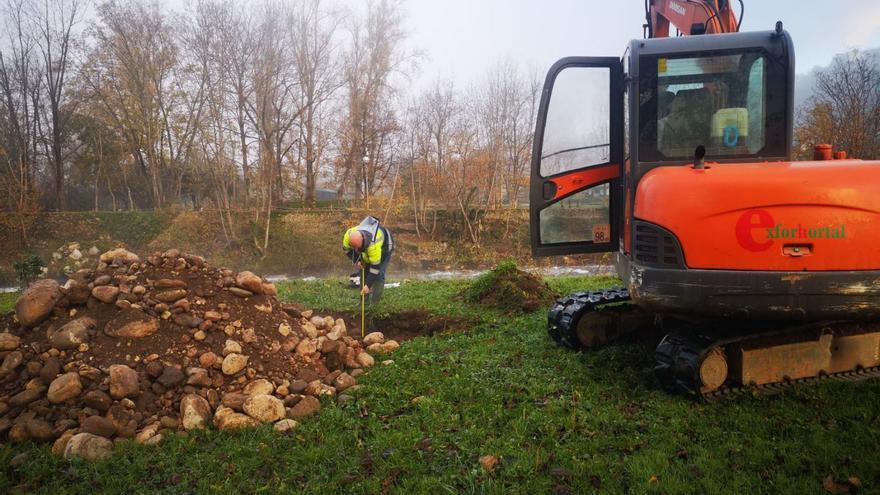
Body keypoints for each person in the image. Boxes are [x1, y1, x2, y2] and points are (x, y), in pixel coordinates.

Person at [342, 216, 394, 304]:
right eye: (354, 248)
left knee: (379, 274)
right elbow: (347, 250)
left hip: (385, 246)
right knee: (363, 270)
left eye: (358, 248)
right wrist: (357, 260)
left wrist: (368, 286)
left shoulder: (373, 245)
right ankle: (364, 302)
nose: (356, 250)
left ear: (363, 242)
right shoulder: (348, 235)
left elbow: (374, 268)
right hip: (367, 246)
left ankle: (374, 303)